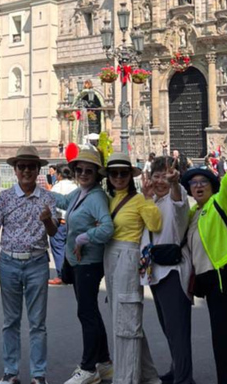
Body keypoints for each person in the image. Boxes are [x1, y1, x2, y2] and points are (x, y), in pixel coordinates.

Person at [0, 146, 58, 384]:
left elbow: (53, 232)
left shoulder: (47, 197)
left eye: (31, 167)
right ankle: (11, 372)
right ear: (15, 170)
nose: (26, 171)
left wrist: (47, 221)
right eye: (22, 166)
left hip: (36, 263)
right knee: (10, 322)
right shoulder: (4, 197)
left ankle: (38, 374)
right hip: (10, 263)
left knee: (37, 323)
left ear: (38, 170)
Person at [182, 139, 227, 384]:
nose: (198, 186)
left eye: (203, 182)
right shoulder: (193, 214)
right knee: (225, 332)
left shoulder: (220, 202)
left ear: (212, 187)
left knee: (225, 334)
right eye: (194, 184)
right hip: (211, 280)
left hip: (226, 274)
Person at [52, 149, 114, 384]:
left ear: (97, 175)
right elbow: (64, 201)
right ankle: (105, 363)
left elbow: (107, 228)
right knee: (90, 313)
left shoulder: (96, 197)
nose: (84, 174)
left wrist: (82, 238)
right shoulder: (80, 193)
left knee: (86, 313)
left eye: (89, 171)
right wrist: (38, 190)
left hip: (89, 263)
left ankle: (89, 368)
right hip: (80, 262)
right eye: (79, 170)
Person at [104, 152, 162, 384]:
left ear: (131, 175)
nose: (119, 177)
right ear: (108, 176)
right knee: (123, 319)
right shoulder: (109, 200)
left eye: (124, 173)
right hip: (111, 257)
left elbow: (155, 224)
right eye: (114, 173)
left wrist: (148, 199)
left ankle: (126, 379)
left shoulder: (138, 199)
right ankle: (149, 376)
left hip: (128, 256)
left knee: (126, 323)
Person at [142, 157, 193, 384]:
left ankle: (184, 379)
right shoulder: (151, 200)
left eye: (165, 176)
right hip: (155, 272)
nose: (160, 181)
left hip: (173, 272)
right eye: (157, 176)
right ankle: (176, 370)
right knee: (169, 328)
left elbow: (180, 205)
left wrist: (174, 183)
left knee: (178, 331)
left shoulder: (176, 196)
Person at [49, 165, 77, 286]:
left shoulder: (56, 187)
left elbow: (51, 205)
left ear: (59, 175)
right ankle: (72, 273)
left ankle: (62, 275)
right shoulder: (76, 187)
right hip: (74, 222)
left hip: (60, 222)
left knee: (58, 248)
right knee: (71, 248)